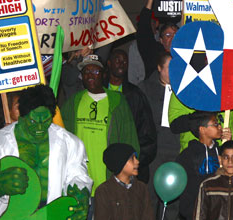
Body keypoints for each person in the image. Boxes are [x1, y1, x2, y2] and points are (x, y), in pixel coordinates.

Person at [0, 85, 92, 218]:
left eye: (45, 121)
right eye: (33, 121)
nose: (39, 127)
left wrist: (80, 195)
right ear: (23, 115)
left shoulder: (69, 142)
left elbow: (78, 176)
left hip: (53, 215)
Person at [61, 54, 140, 211]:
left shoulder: (117, 102)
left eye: (95, 72)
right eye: (86, 72)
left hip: (109, 182)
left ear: (104, 74)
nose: (90, 75)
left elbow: (130, 141)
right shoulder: (73, 102)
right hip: (79, 184)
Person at [139, 52, 181, 219]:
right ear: (159, 68)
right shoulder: (145, 88)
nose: (173, 73)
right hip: (154, 152)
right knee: (150, 196)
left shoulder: (184, 90)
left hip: (176, 149)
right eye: (169, 68)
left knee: (174, 195)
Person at [106, 49, 157, 184]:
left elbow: (147, 133)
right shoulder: (99, 92)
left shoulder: (135, 94)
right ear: (109, 63)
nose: (121, 64)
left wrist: (134, 161)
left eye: (125, 61)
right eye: (118, 60)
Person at [176, 112, 231, 220]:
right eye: (215, 124)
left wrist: (228, 146)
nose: (220, 127)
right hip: (195, 210)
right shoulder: (187, 155)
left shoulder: (221, 151)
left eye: (219, 123)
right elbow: (187, 187)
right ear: (202, 130)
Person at [94, 143, 154, 220]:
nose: (137, 162)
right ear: (120, 163)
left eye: (136, 157)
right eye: (132, 159)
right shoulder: (104, 191)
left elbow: (148, 216)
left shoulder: (142, 188)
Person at [136, 0, 170, 80]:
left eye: (175, 35)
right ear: (161, 40)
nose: (172, 38)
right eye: (168, 35)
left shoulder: (185, 54)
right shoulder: (154, 53)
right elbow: (143, 29)